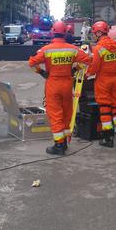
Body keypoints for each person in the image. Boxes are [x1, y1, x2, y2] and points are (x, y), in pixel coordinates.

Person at [29, 21, 91, 155]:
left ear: (53, 32)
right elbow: (87, 60)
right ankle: (65, 141)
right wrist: (75, 69)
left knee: (55, 114)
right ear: (65, 33)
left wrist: (41, 72)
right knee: (66, 113)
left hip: (53, 84)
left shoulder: (46, 49)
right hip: (67, 84)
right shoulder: (72, 49)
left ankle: (59, 145)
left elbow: (32, 63)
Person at [86, 21, 116, 147]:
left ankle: (108, 138)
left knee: (105, 109)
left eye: (95, 33)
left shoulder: (99, 48)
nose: (94, 36)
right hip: (115, 80)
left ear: (99, 32)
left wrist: (88, 74)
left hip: (103, 81)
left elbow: (95, 67)